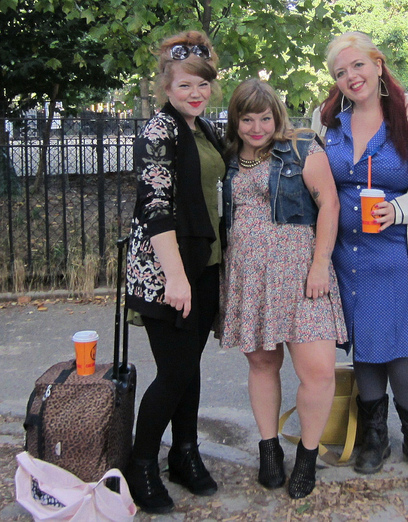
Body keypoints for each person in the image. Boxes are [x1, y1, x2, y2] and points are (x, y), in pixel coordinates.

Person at [312, 32, 408, 476]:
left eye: (358, 65)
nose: (351, 77)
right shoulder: (328, 120)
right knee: (364, 345)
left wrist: (403, 205)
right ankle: (374, 434)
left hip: (400, 255)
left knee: (401, 347)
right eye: (340, 72)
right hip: (346, 256)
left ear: (378, 65)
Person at [221, 79, 346, 499]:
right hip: (250, 278)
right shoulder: (229, 159)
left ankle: (307, 456)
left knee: (318, 371)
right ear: (236, 121)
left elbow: (329, 204)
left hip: (302, 273)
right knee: (262, 364)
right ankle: (269, 448)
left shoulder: (301, 148)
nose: (257, 128)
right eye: (247, 119)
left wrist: (320, 264)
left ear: (277, 116)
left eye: (265, 118)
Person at [125, 31, 224, 514]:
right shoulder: (158, 132)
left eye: (203, 84)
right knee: (175, 371)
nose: (195, 93)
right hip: (167, 271)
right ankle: (141, 464)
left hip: (204, 264)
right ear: (166, 87)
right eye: (185, 85)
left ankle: (185, 453)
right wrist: (176, 278)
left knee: (190, 367)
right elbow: (156, 208)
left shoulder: (203, 130)